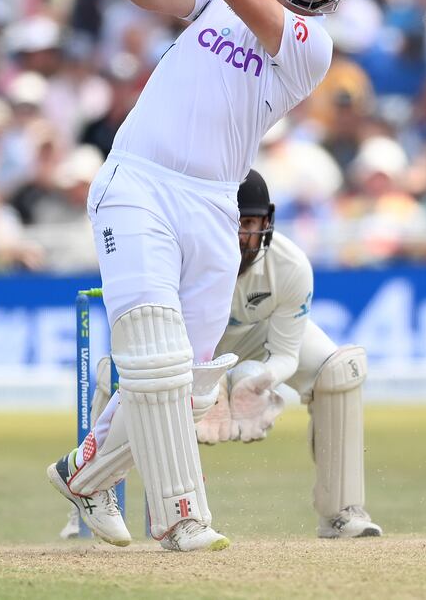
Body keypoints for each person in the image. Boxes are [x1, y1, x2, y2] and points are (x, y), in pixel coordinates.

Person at [46, 0, 360, 552]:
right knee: (154, 359)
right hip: (139, 183)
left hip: (214, 204)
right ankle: (183, 515)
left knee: (185, 383)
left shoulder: (310, 44)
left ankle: (82, 473)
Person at [62, 169, 381, 541]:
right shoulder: (176, 255)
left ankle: (342, 512)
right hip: (183, 344)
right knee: (120, 376)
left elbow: (286, 354)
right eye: (234, 222)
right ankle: (86, 502)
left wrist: (253, 377)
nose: (242, 235)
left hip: (251, 338)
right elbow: (153, 337)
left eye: (250, 223)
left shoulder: (289, 266)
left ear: (267, 222)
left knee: (341, 370)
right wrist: (207, 383)